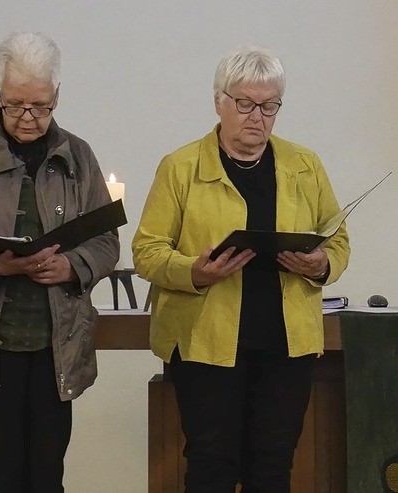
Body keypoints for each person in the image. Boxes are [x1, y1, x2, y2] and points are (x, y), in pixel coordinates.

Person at [132, 45, 350, 492]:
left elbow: (339, 240)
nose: (257, 117)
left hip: (286, 344)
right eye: (245, 103)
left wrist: (320, 263)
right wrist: (195, 271)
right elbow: (147, 251)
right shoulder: (180, 167)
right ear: (219, 102)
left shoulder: (304, 166)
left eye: (269, 106)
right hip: (206, 342)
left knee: (273, 465)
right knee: (212, 463)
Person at [0, 32, 119, 493]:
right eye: (15, 105)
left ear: (57, 96)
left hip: (56, 348)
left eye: (41, 106)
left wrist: (71, 267)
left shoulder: (77, 155)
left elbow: (106, 241)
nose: (28, 118)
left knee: (47, 474)